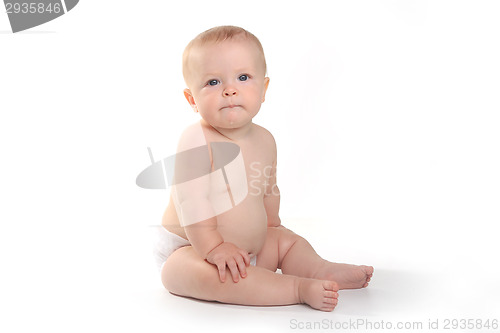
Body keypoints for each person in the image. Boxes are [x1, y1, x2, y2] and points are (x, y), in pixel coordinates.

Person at [157, 25, 373, 312]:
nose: (230, 89)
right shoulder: (197, 139)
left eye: (243, 77)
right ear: (192, 99)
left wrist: (271, 223)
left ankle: (321, 269)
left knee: (287, 242)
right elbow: (191, 202)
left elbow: (268, 186)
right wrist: (213, 248)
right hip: (194, 249)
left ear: (264, 89)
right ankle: (296, 288)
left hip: (251, 250)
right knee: (207, 276)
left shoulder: (265, 139)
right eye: (212, 82)